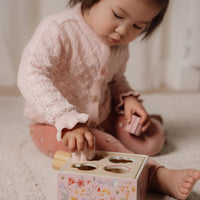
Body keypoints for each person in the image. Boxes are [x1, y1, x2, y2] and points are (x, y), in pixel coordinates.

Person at [18, 0, 200, 199]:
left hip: (101, 114)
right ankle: (155, 176)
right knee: (98, 145)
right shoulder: (57, 30)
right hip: (54, 126)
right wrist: (66, 118)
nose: (123, 31)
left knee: (151, 140)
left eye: (138, 26)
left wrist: (129, 99)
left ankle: (148, 122)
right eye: (118, 15)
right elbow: (30, 75)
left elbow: (115, 80)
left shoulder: (119, 45)